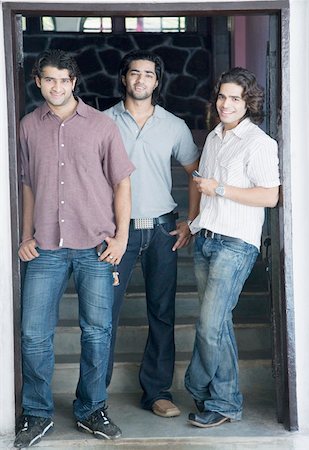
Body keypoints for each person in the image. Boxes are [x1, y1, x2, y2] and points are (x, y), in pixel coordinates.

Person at [14, 49, 135, 448]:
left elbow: (121, 183)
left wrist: (121, 238)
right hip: (45, 246)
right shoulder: (28, 126)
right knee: (33, 335)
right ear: (38, 82)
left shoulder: (101, 126)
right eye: (49, 79)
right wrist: (26, 234)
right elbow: (28, 184)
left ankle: (91, 410)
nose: (57, 86)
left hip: (96, 247)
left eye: (64, 80)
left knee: (97, 333)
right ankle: (36, 414)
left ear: (74, 82)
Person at [104, 50, 200, 418]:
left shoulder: (174, 125)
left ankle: (157, 392)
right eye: (134, 73)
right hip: (116, 234)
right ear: (124, 78)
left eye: (148, 74)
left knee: (162, 312)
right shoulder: (102, 121)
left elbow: (195, 172)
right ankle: (96, 396)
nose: (141, 79)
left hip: (162, 230)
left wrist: (190, 220)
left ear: (157, 81)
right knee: (104, 314)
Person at [184, 67, 280, 428]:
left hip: (236, 245)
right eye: (222, 96)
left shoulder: (259, 143)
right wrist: (192, 225)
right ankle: (224, 401)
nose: (226, 104)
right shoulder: (213, 137)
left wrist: (220, 189)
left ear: (248, 103)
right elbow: (202, 186)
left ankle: (197, 383)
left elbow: (270, 196)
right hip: (207, 240)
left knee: (210, 326)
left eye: (235, 98)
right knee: (217, 323)